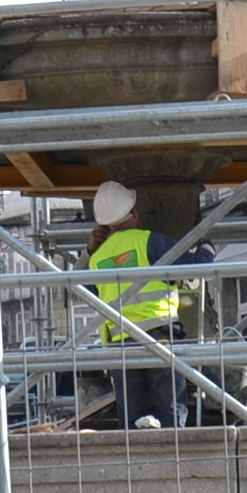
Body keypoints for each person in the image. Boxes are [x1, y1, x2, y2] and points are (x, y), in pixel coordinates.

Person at [85, 183, 180, 429]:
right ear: (135, 213)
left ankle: (134, 462)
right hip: (161, 338)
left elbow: (79, 288)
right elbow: (194, 266)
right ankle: (176, 460)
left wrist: (89, 251)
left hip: (122, 345)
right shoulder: (151, 241)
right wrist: (206, 247)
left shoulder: (97, 259)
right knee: (170, 413)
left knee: (129, 419)